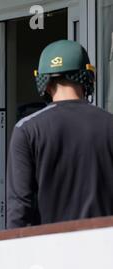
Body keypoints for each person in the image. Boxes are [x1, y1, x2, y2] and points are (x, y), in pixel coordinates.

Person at [7, 40, 113, 228]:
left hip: (50, 248)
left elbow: (19, 209)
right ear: (87, 77)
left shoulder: (27, 130)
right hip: (104, 245)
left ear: (44, 83)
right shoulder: (109, 124)